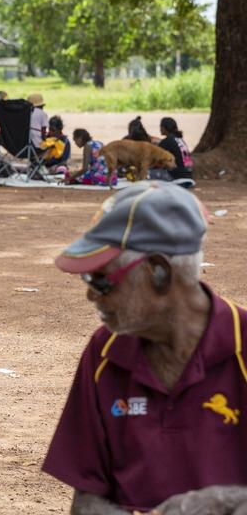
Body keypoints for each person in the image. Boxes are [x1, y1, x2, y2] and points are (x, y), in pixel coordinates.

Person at [43, 181, 247, 514]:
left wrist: (229, 502)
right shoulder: (104, 353)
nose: (92, 296)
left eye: (101, 280)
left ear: (159, 273)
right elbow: (88, 498)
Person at [152, 116, 195, 186]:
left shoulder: (166, 141)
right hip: (189, 176)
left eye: (160, 126)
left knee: (147, 172)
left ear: (164, 128)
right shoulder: (179, 139)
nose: (160, 128)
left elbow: (154, 159)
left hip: (178, 178)